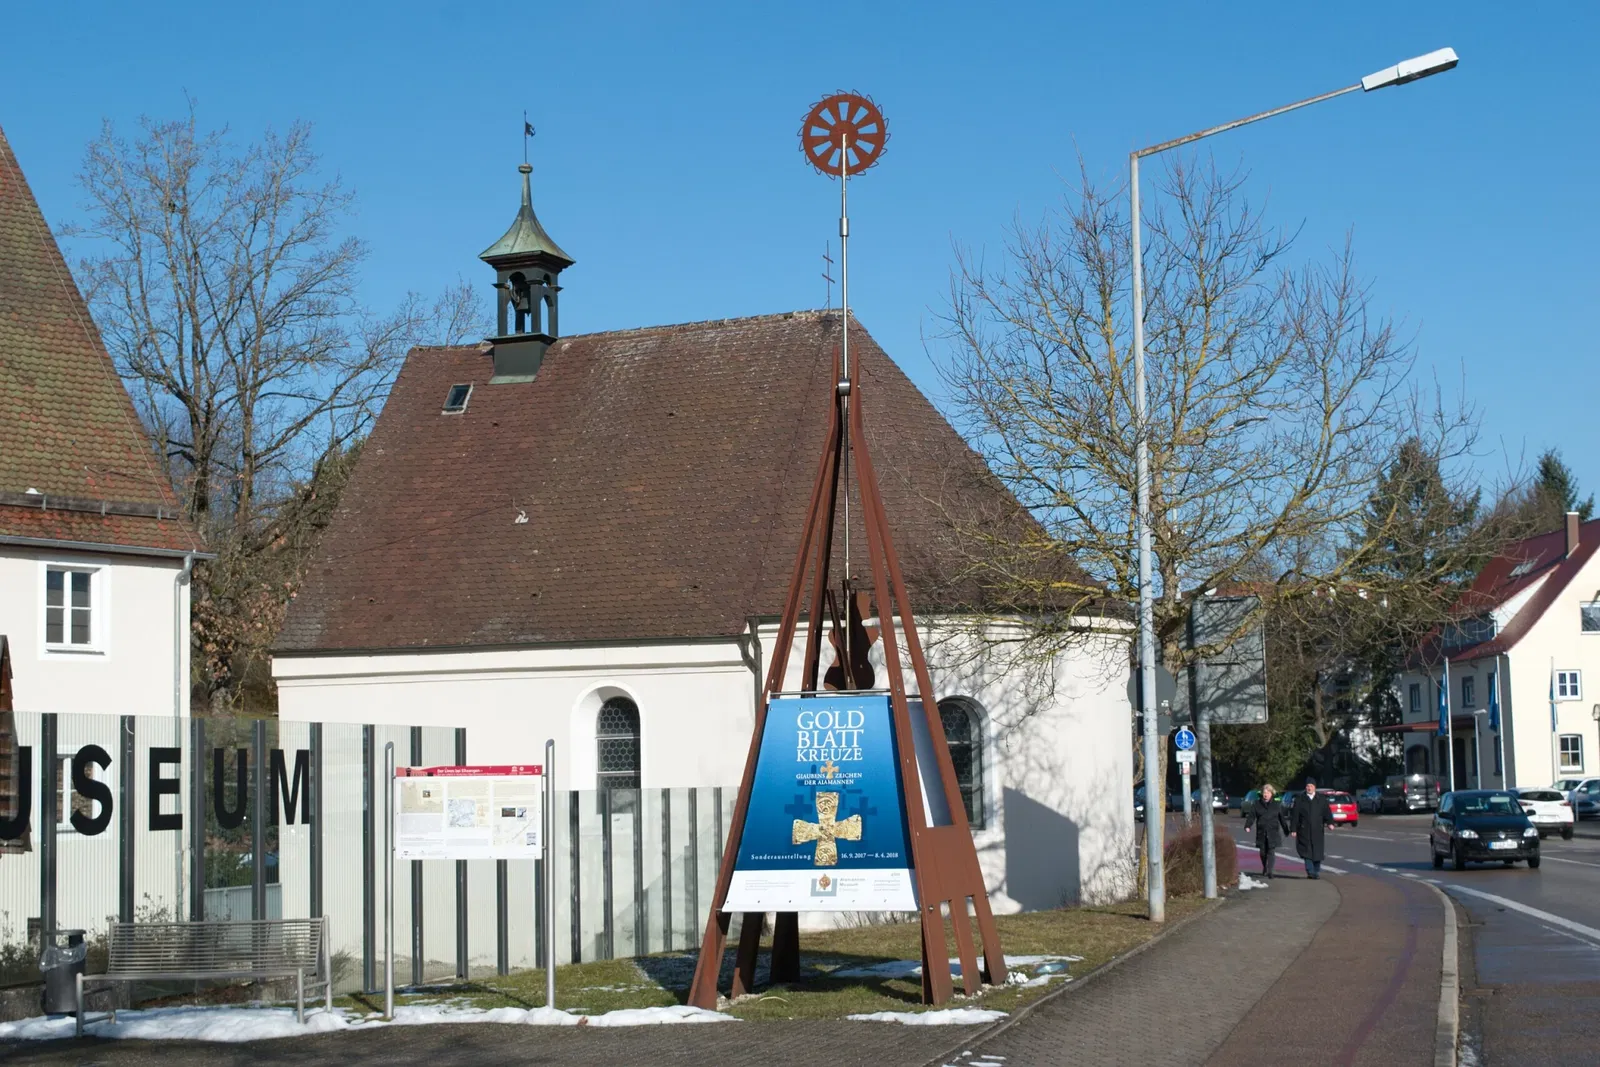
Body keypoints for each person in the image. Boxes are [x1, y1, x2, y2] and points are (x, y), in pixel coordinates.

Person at [1289, 778, 1335, 878]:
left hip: (1317, 829)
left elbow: (1327, 812)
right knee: (1307, 851)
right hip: (1304, 829)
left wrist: (1330, 823)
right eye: (1307, 786)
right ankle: (1310, 871)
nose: (1309, 788)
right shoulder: (1300, 799)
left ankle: (1316, 871)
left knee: (1317, 851)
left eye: (1311, 786)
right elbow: (1295, 815)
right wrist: (1293, 829)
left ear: (1315, 787)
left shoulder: (1321, 799)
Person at [1243, 783, 1289, 879]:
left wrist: (1286, 830)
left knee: (1271, 851)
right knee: (1263, 853)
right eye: (1264, 792)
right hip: (1262, 832)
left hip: (1273, 831)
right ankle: (1265, 867)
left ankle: (1270, 871)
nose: (1266, 794)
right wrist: (1248, 826)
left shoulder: (1277, 805)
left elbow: (1282, 819)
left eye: (1268, 792)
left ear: (1271, 794)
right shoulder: (1256, 804)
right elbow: (1252, 816)